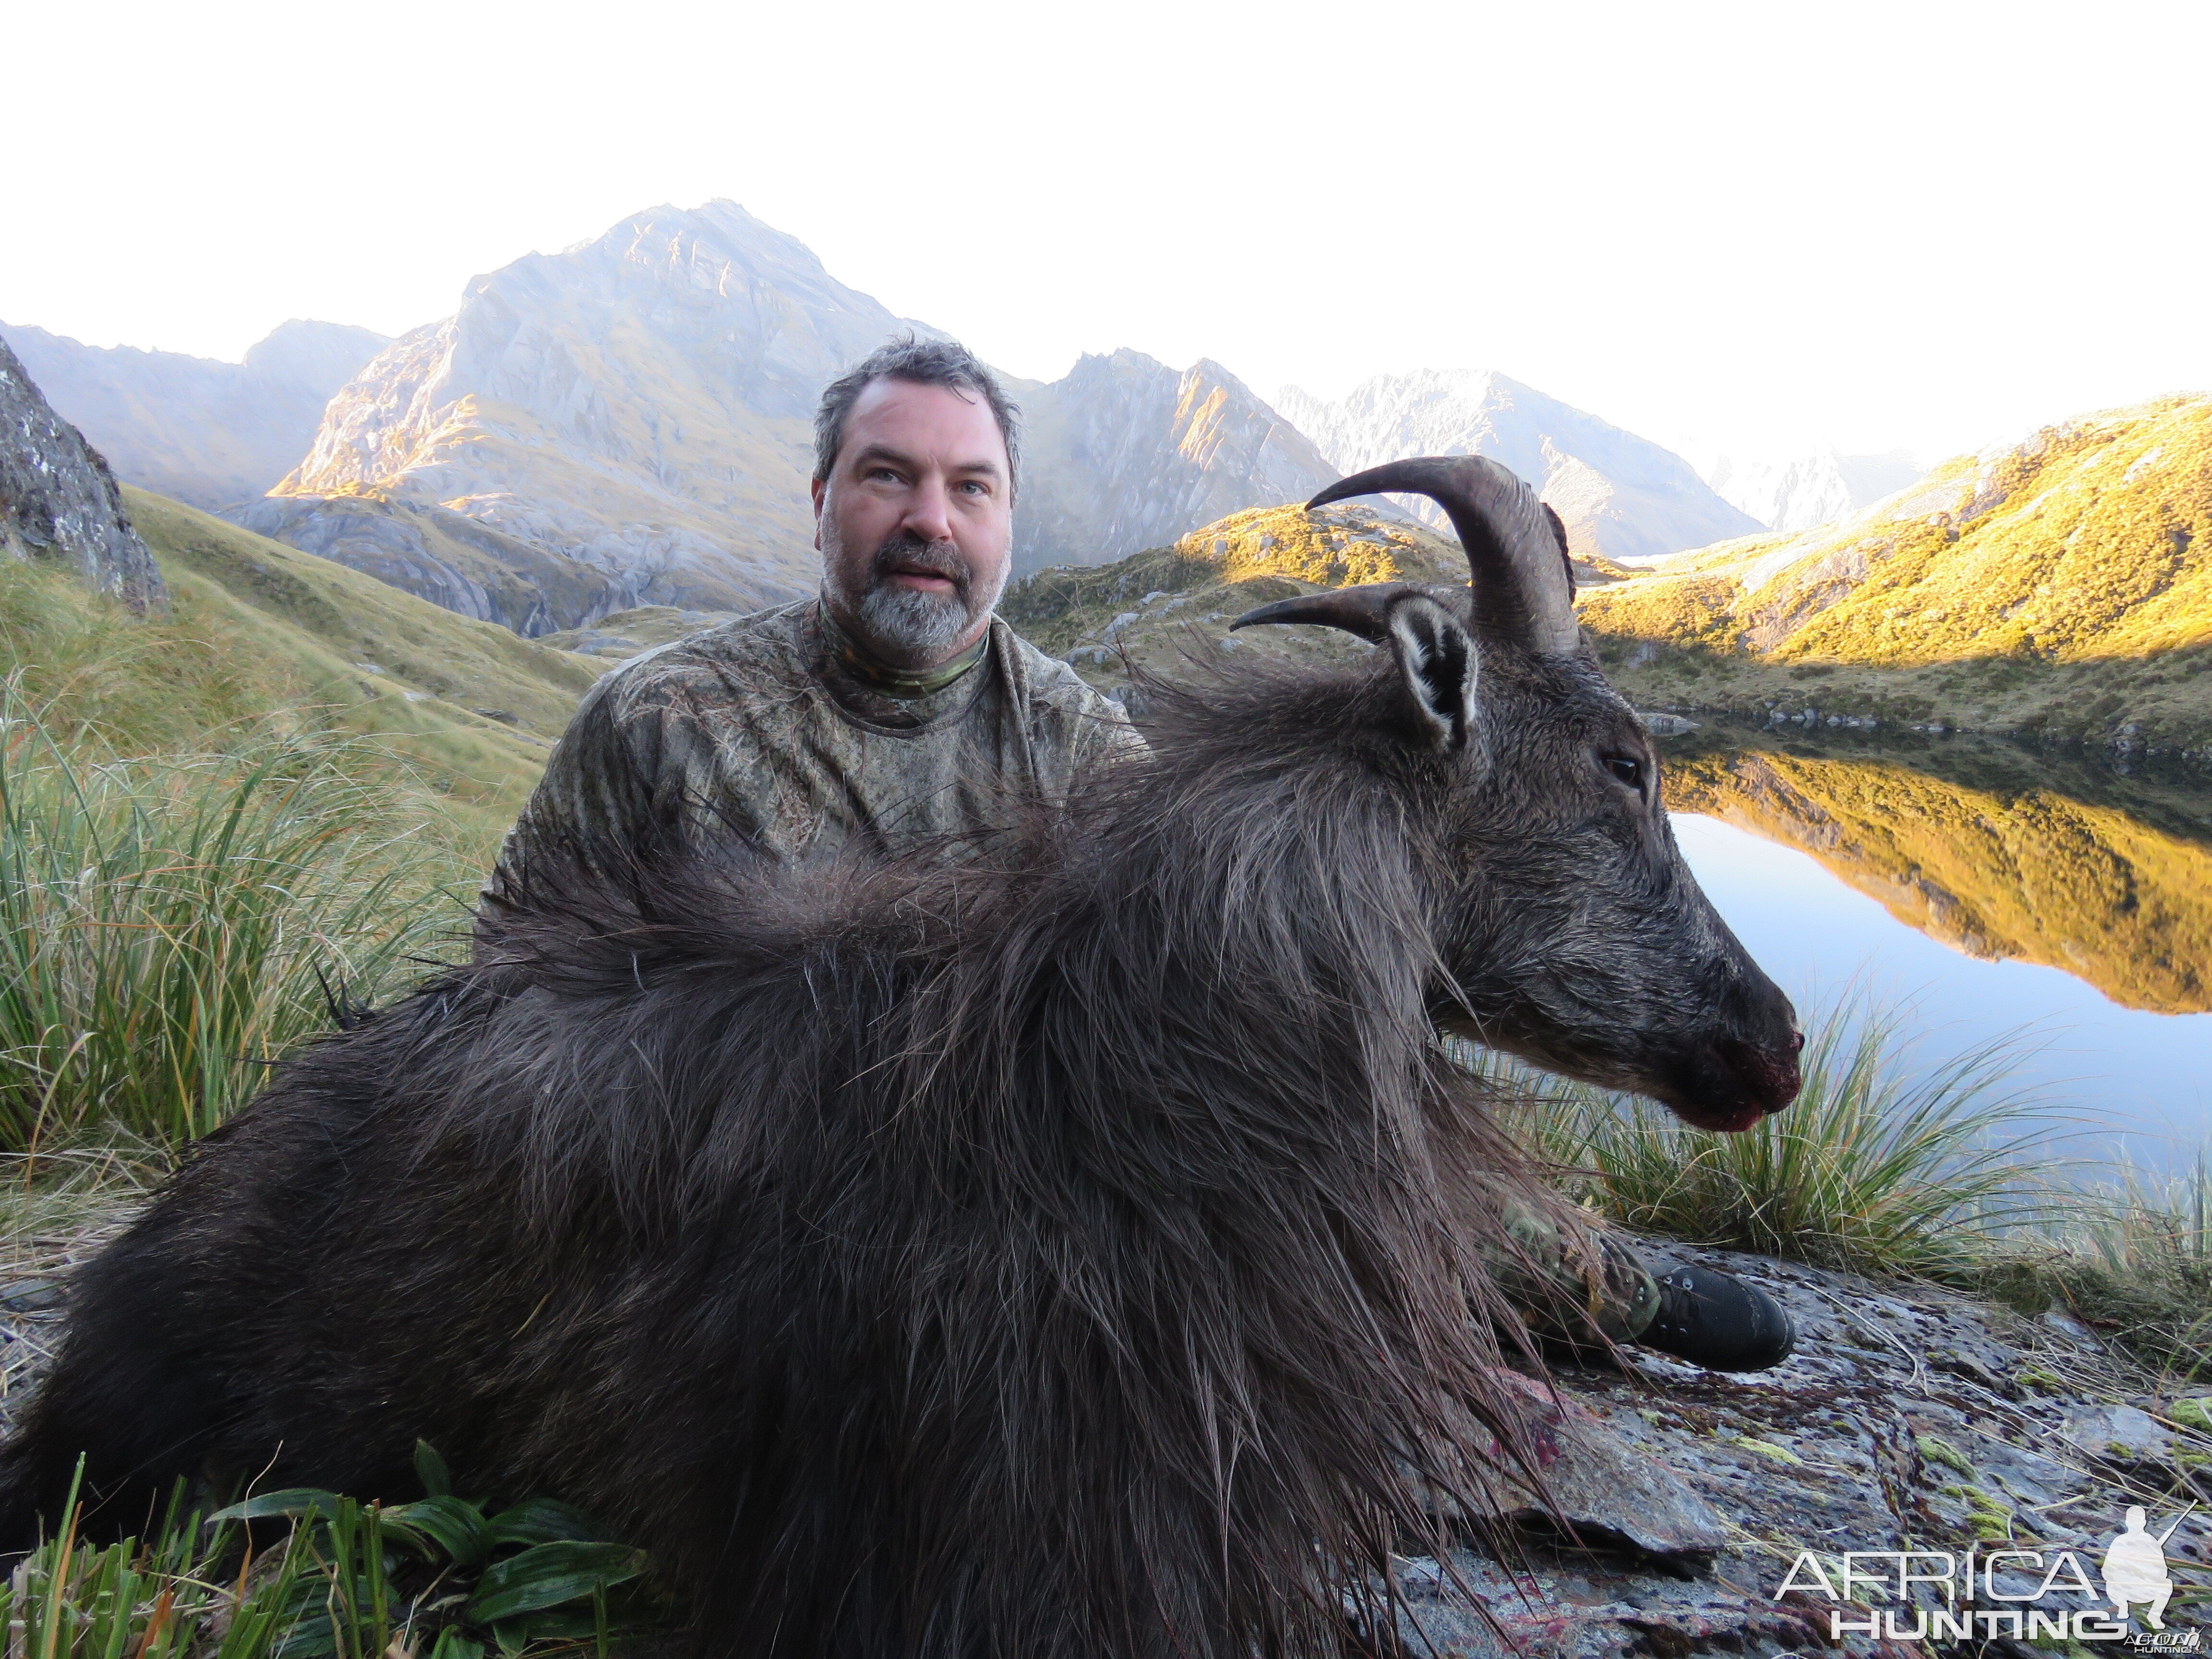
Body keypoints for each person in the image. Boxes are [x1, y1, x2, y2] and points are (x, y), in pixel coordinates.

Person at [484, 334, 1794, 1375]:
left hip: (1006, 1189)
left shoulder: (1084, 746)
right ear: (822, 500)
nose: (929, 519)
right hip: (718, 1177)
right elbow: (512, 983)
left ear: (1007, 524)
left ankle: (1598, 1290)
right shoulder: (657, 719)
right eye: (888, 476)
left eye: (970, 487)